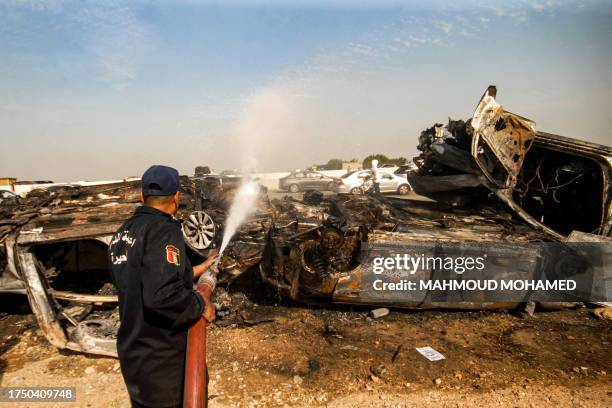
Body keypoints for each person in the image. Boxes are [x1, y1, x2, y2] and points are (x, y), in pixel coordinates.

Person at [108, 165, 218, 408]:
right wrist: (201, 303)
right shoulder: (165, 231)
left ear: (142, 196)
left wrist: (200, 268)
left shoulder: (122, 234)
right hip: (164, 365)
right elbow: (162, 296)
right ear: (177, 197)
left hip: (135, 359)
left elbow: (147, 277)